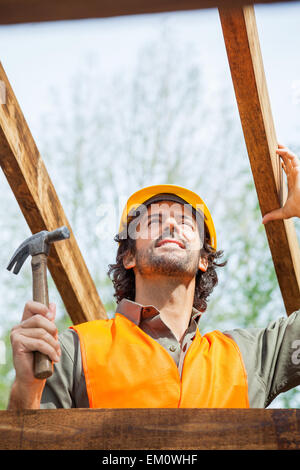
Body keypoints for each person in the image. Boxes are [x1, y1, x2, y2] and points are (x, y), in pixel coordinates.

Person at [7, 144, 300, 409]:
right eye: (154, 221)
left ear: (203, 260)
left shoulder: (248, 358)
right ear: (129, 256)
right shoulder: (73, 350)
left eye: (186, 221)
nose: (171, 224)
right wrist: (27, 391)